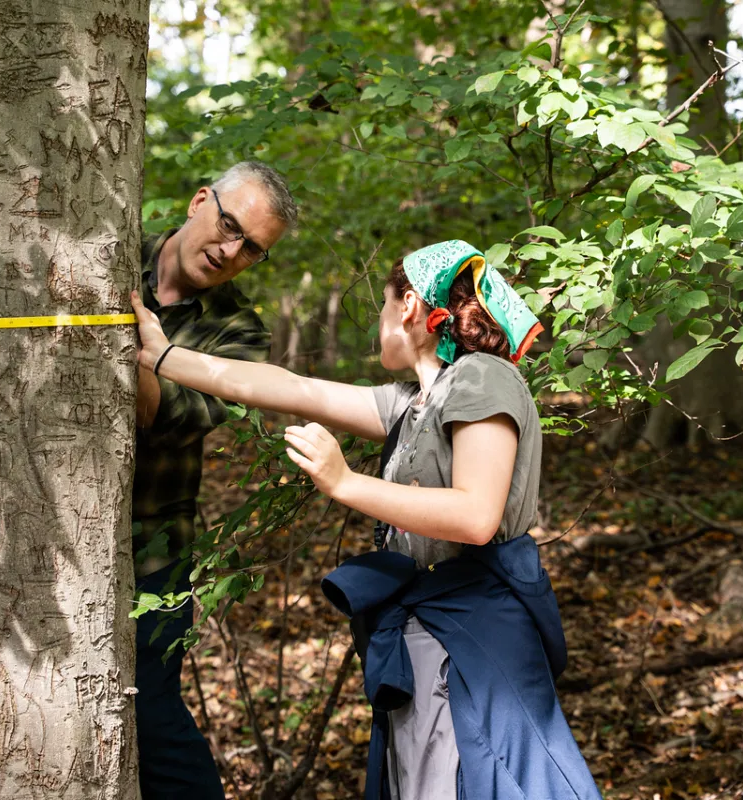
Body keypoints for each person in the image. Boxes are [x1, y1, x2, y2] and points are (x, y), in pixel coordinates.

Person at [130, 240, 602, 799]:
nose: (378, 321)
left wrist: (345, 482)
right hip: (430, 633)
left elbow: (477, 515)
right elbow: (292, 388)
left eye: (384, 305)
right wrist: (163, 357)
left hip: (475, 637)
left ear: (408, 307)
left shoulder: (481, 379)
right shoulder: (415, 401)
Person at [132, 161, 297, 799]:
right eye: (228, 225)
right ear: (201, 199)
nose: (230, 251)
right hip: (46, 529)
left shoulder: (239, 332)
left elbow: (161, 417)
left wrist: (141, 338)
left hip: (154, 548)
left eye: (252, 249)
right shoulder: (110, 251)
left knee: (150, 711)